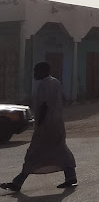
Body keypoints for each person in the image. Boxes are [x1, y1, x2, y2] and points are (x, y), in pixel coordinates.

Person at [1, 62, 77, 192]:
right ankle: (70, 175)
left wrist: (39, 124)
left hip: (46, 124)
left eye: (36, 71)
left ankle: (18, 183)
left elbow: (43, 106)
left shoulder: (44, 84)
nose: (34, 74)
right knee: (60, 149)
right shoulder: (56, 82)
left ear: (43, 71)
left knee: (34, 152)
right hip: (57, 123)